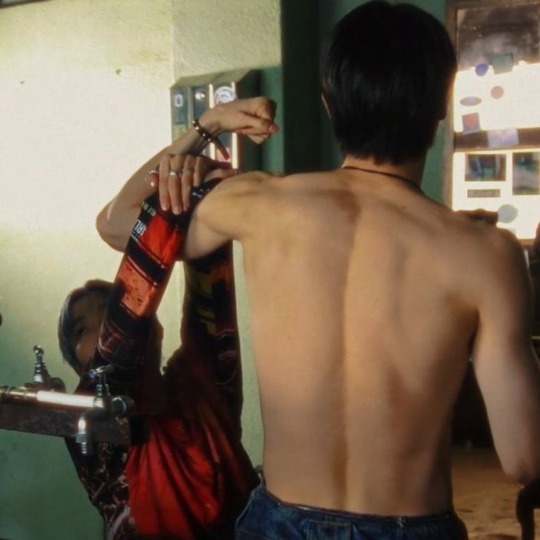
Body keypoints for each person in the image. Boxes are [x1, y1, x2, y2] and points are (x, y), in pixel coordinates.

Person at [98, 2, 540, 538]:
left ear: (329, 102)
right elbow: (525, 457)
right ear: (442, 103)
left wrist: (206, 125)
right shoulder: (486, 254)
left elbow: (117, 222)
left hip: (279, 524)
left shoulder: (259, 205)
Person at [60, 98, 278, 539]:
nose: (105, 325)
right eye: (82, 328)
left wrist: (204, 144)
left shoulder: (199, 388)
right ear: (79, 360)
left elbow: (205, 274)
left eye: (108, 308)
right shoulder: (94, 422)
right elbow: (120, 239)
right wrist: (192, 177)